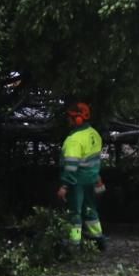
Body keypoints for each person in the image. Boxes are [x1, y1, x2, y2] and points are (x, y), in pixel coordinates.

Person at [57, 102, 107, 250]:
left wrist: (64, 186)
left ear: (78, 119)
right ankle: (99, 240)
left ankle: (74, 244)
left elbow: (71, 166)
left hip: (76, 181)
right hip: (92, 180)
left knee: (75, 213)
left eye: (70, 117)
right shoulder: (94, 134)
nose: (68, 120)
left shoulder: (74, 140)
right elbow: (96, 160)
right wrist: (97, 177)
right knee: (90, 209)